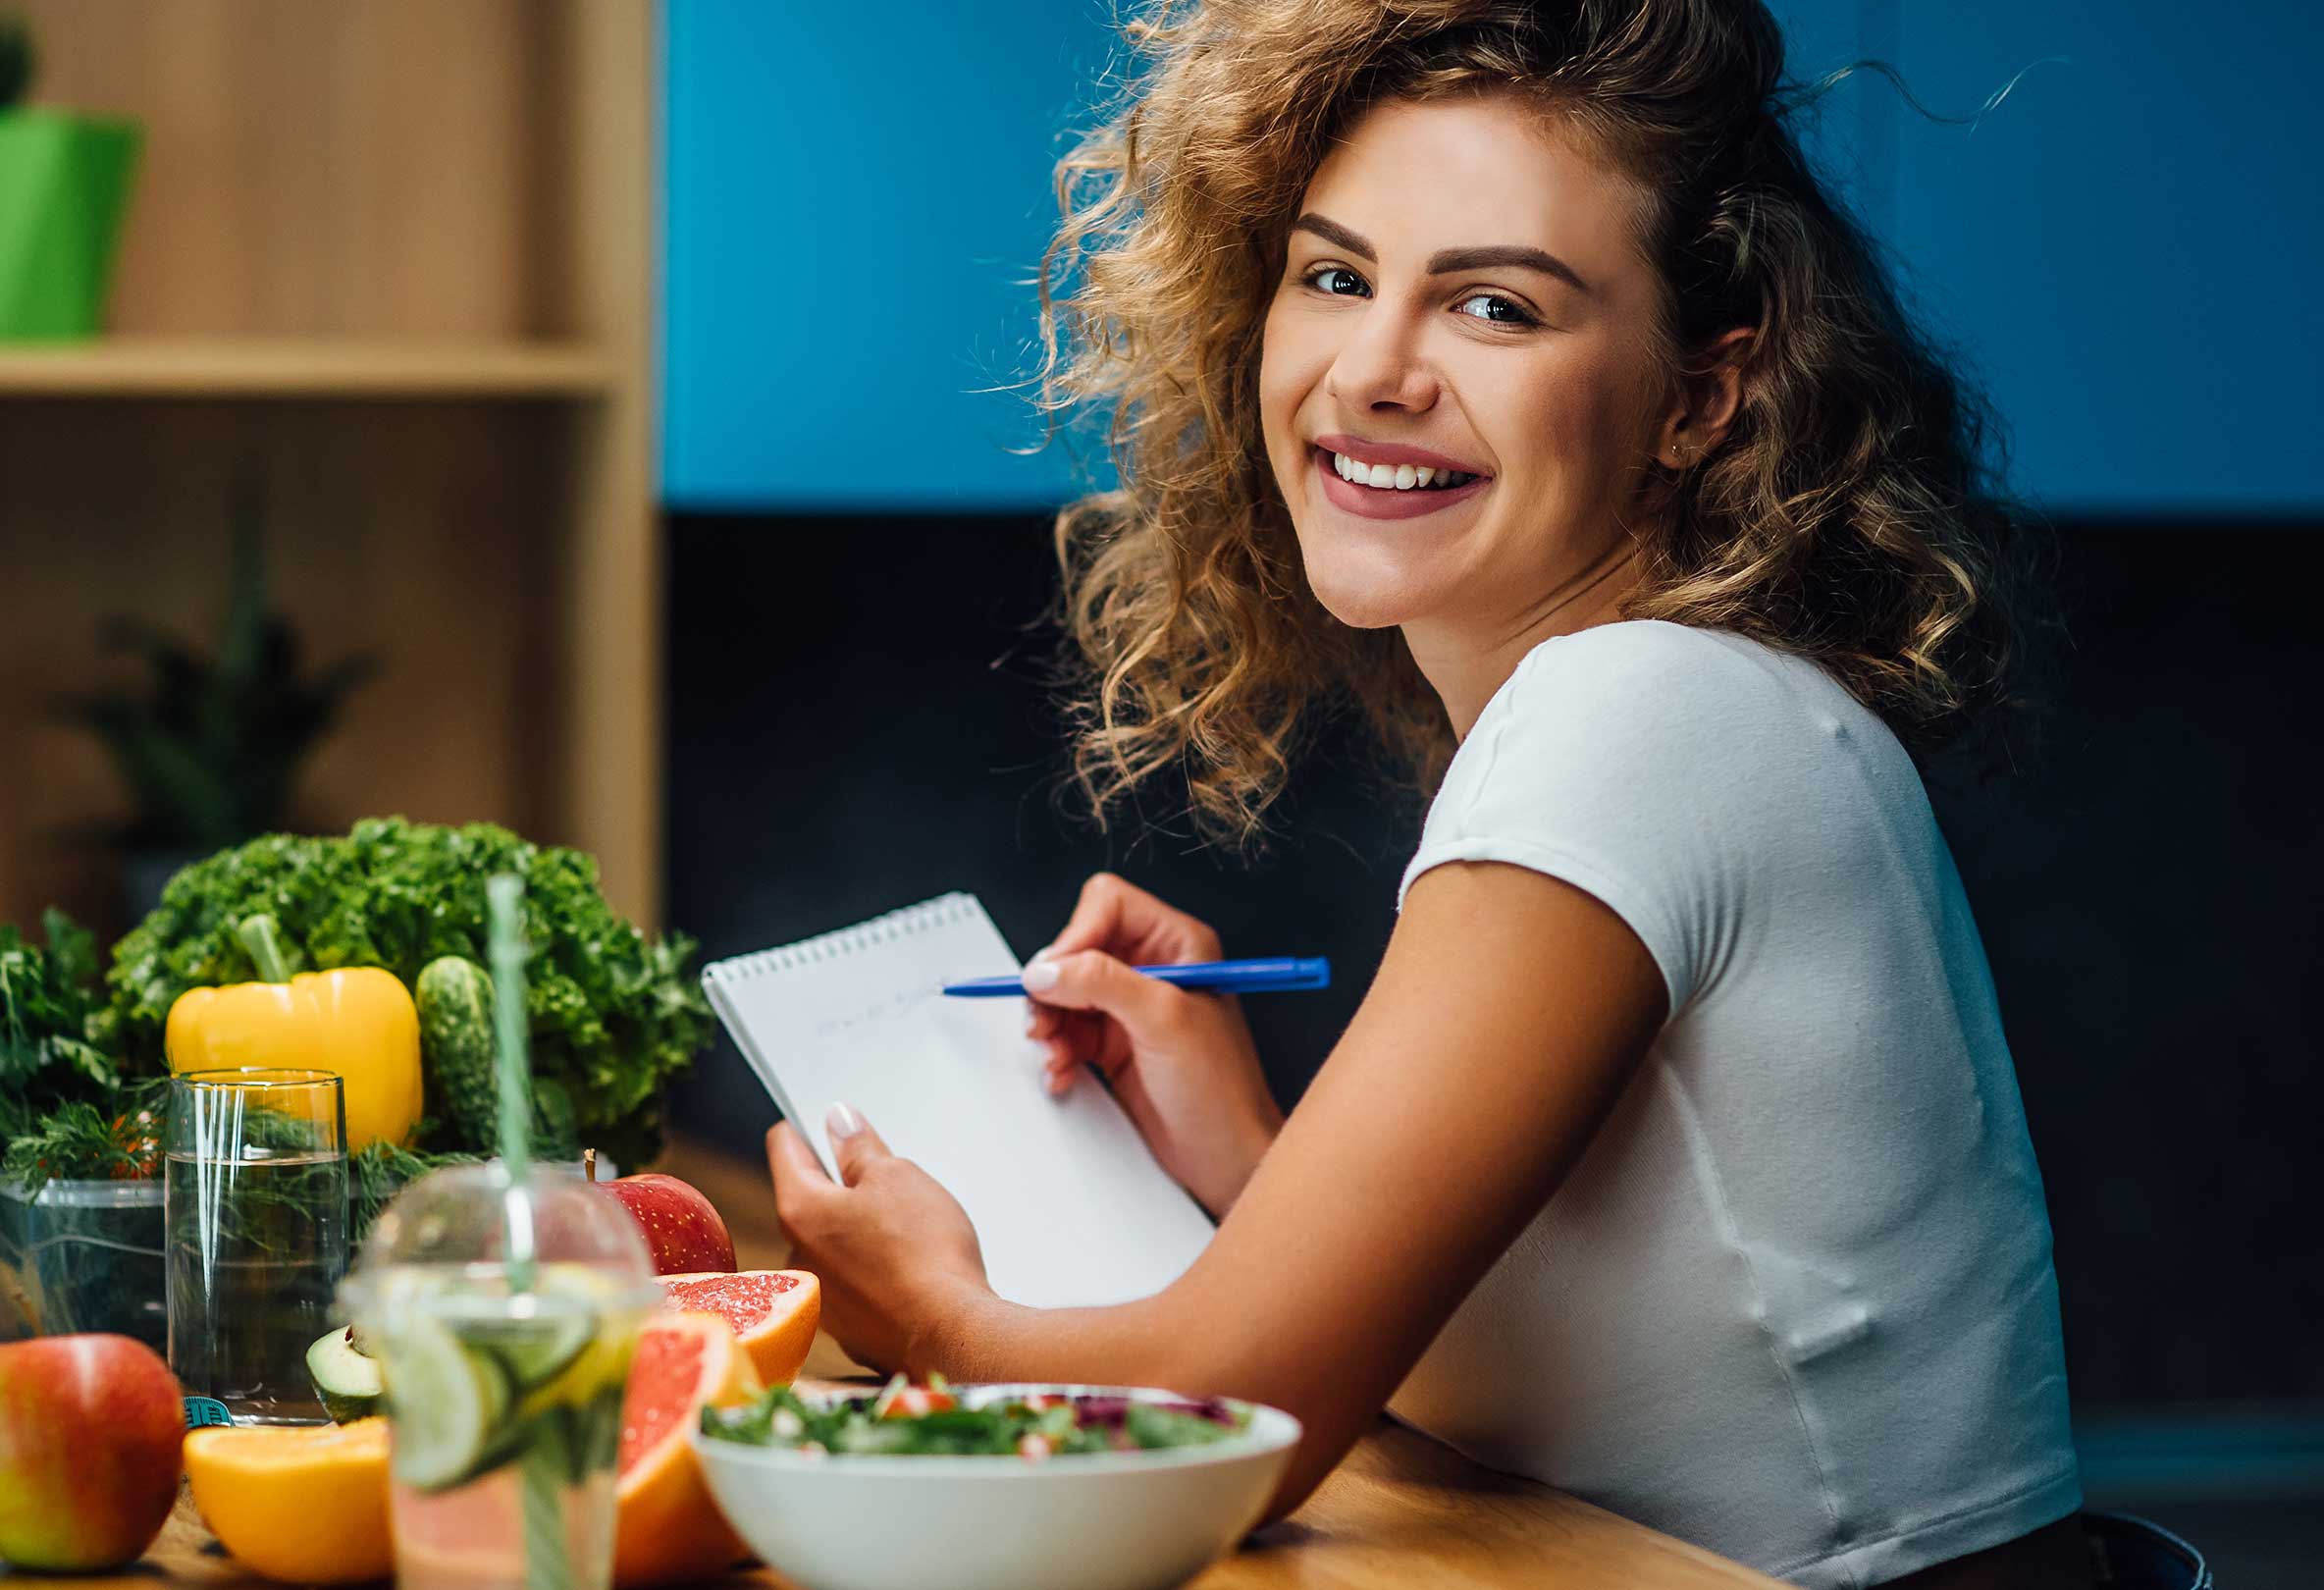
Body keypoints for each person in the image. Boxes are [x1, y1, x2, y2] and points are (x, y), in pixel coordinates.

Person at [765, 4, 2087, 1587]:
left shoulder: (1636, 713)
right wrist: (1249, 1158)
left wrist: (933, 1316)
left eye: (1496, 308)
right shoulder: (1692, 699)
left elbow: (1224, 1429)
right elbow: (1573, 1361)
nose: (1375, 370)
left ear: (1701, 394)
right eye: (1334, 277)